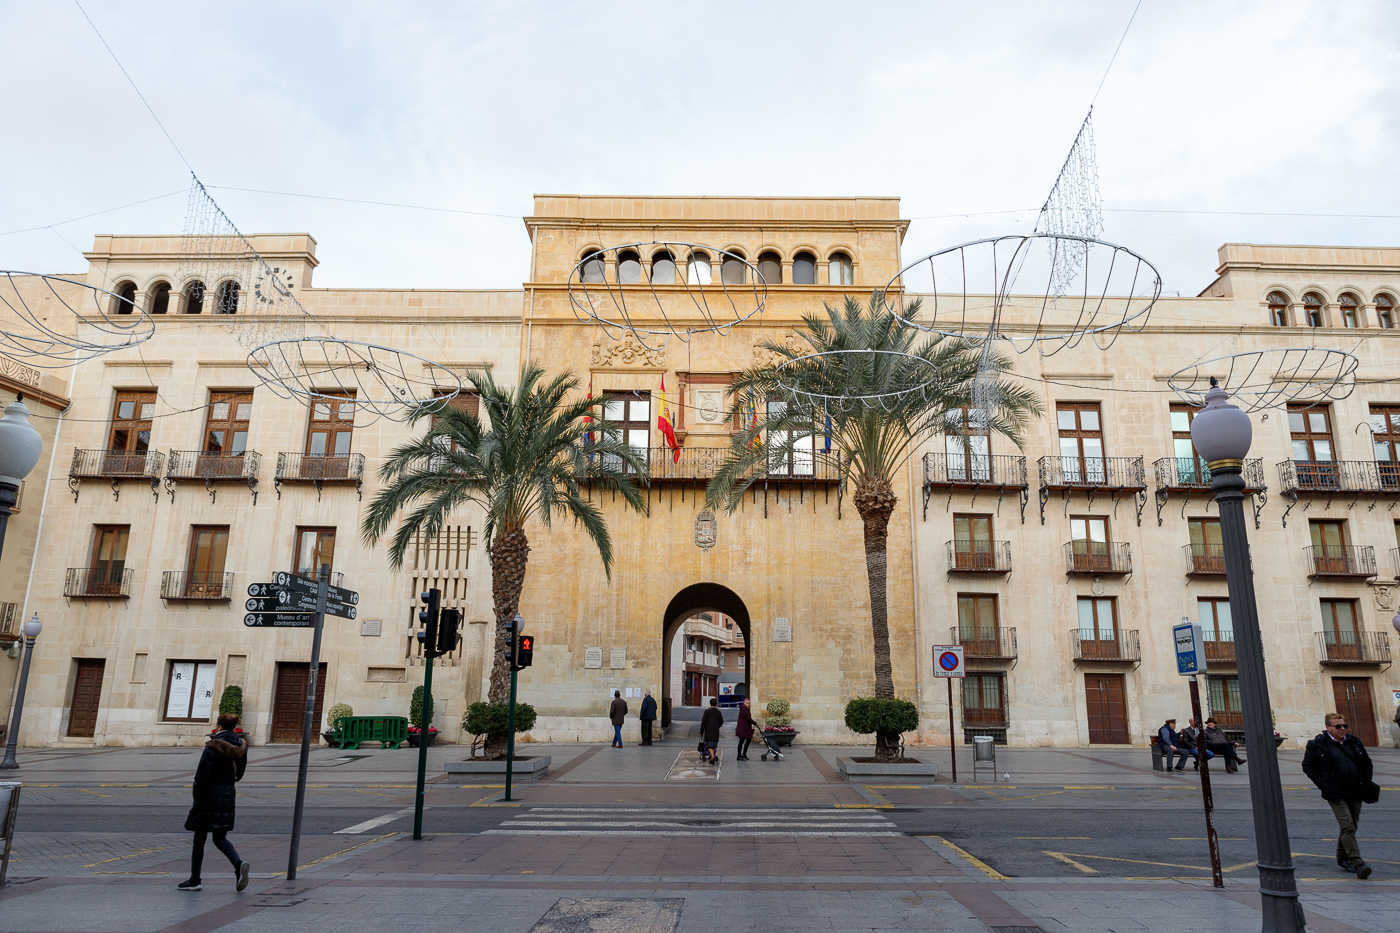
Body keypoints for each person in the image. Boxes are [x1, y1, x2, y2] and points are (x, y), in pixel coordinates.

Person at [178, 714, 250, 892]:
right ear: (234, 727)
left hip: (208, 795)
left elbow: (202, 775)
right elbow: (239, 773)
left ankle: (195, 879)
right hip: (227, 794)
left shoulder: (213, 746)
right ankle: (238, 864)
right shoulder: (240, 745)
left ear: (218, 726)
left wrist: (197, 796)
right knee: (219, 837)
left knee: (199, 838)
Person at [1303, 712, 1375, 879]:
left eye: (1344, 726)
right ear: (1328, 727)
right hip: (1335, 792)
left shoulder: (1354, 742)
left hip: (1355, 790)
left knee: (1351, 826)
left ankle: (1342, 858)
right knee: (1347, 825)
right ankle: (1358, 863)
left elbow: (1366, 762)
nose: (1342, 729)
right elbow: (1308, 766)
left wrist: (1365, 781)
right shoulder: (1318, 744)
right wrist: (1323, 784)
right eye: (1338, 726)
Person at [700, 697, 724, 764]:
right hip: (716, 731)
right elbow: (721, 721)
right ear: (716, 704)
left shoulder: (707, 711)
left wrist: (701, 731)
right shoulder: (718, 712)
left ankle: (712, 757)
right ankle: (711, 756)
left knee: (709, 745)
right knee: (714, 745)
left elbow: (703, 722)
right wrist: (717, 726)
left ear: (710, 704)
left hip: (708, 731)